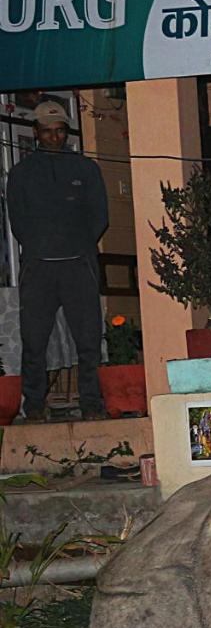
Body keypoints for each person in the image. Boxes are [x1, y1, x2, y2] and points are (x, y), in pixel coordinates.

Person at [7, 100, 109, 423]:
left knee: (89, 338)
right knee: (33, 340)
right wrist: (39, 248)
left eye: (60, 131)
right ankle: (34, 404)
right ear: (36, 132)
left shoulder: (86, 169)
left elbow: (99, 217)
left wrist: (79, 247)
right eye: (47, 131)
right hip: (39, 266)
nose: (54, 136)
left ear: (66, 132)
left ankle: (91, 402)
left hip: (78, 264)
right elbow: (17, 220)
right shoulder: (21, 174)